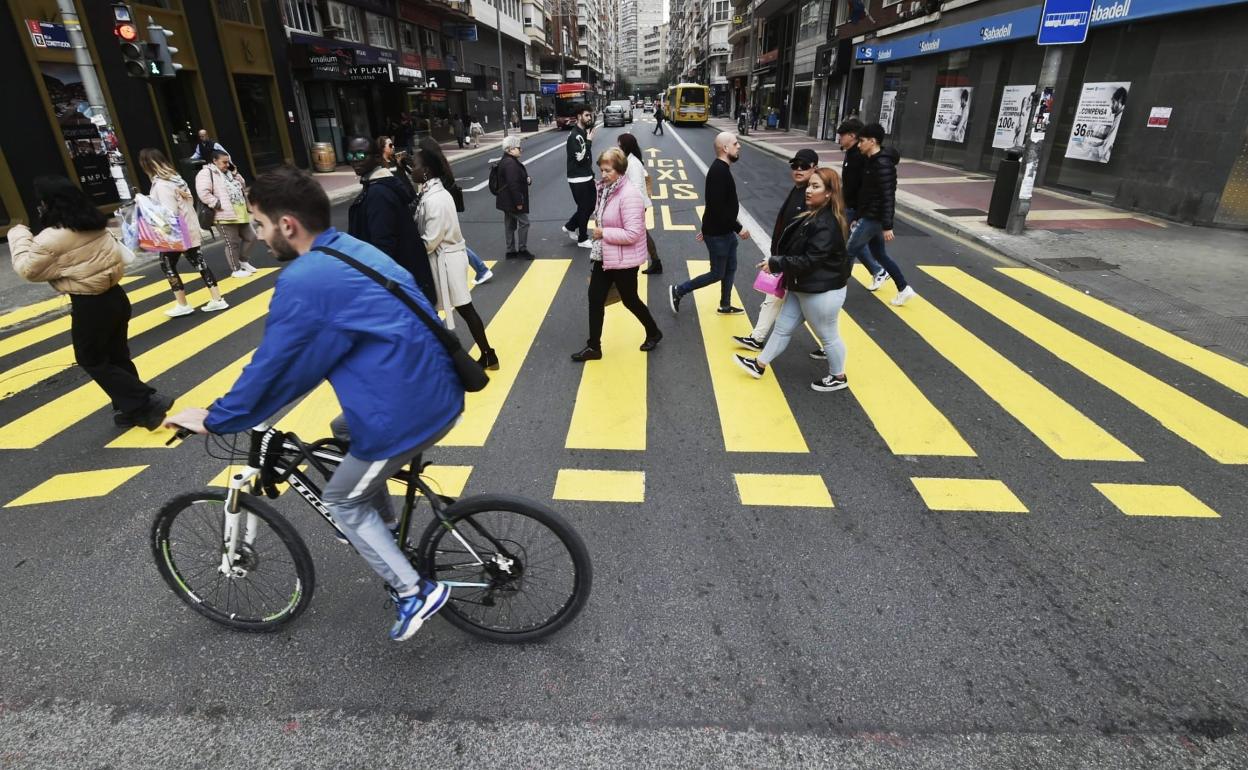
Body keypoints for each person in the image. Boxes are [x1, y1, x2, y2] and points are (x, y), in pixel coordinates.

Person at [163, 166, 459, 642]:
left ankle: (413, 591)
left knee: (341, 499)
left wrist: (218, 417)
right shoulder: (351, 250)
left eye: (258, 224)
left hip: (405, 411)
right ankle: (383, 526)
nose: (257, 237)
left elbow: (276, 366)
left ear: (287, 225)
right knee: (344, 431)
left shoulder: (307, 279)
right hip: (435, 385)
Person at [10, 176, 173, 429]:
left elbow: (28, 271)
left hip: (90, 305)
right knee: (117, 354)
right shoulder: (95, 223)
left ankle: (145, 402)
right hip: (116, 296)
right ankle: (130, 410)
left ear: (48, 204)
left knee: (91, 358)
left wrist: (19, 235)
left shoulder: (50, 239)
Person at [733, 167, 851, 393]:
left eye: (815, 187)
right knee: (782, 328)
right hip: (803, 287)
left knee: (828, 337)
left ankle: (838, 376)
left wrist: (777, 263)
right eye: (809, 185)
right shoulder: (815, 214)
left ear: (829, 193)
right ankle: (759, 365)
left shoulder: (826, 223)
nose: (809, 190)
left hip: (821, 292)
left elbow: (810, 261)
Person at [570, 148, 662, 362]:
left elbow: (633, 234)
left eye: (608, 170)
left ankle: (654, 331)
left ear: (620, 170)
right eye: (601, 170)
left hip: (624, 260)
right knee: (595, 298)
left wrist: (604, 233)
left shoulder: (629, 195)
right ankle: (594, 347)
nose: (603, 174)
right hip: (605, 255)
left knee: (630, 300)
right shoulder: (606, 189)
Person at [412, 143, 498, 369]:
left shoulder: (435, 199)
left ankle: (486, 354)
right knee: (457, 309)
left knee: (462, 308)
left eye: (416, 165)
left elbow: (430, 240)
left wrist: (409, 249)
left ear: (427, 171)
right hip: (447, 259)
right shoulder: (430, 192)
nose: (413, 168)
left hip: (447, 261)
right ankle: (485, 354)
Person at [732, 148, 817, 352]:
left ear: (815, 168)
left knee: (811, 308)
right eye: (794, 165)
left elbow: (806, 233)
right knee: (775, 298)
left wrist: (782, 260)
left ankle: (828, 343)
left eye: (804, 166)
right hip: (785, 258)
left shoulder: (811, 194)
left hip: (794, 261)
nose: (798, 169)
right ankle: (757, 337)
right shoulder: (799, 189)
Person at [344, 136, 437, 302]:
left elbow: (383, 248)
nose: (355, 161)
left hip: (397, 290)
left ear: (377, 158)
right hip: (403, 285)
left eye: (360, 155)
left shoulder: (378, 194)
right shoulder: (378, 186)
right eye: (351, 156)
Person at [668, 132, 750, 315]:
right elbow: (718, 207)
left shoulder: (721, 169)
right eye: (736, 143)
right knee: (717, 274)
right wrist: (739, 228)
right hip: (720, 235)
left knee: (730, 269)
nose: (739, 146)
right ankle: (679, 290)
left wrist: (706, 228)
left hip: (723, 232)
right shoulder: (719, 172)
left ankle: (725, 305)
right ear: (725, 148)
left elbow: (712, 205)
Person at [139, 148, 228, 317]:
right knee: (200, 263)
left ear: (147, 166)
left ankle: (182, 304)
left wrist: (146, 206)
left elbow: (168, 211)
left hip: (175, 232)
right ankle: (217, 299)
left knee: (167, 265)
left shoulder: (161, 184)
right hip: (189, 228)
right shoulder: (177, 180)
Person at [851, 122, 915, 305]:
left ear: (872, 141)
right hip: (869, 215)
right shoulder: (872, 161)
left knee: (849, 251)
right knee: (880, 254)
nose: (859, 144)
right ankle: (904, 288)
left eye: (861, 141)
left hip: (874, 218)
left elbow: (888, 196)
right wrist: (857, 216)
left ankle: (833, 290)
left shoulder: (882, 164)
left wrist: (888, 226)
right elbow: (866, 194)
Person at [418, 136, 494, 284]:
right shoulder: (441, 162)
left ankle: (481, 269)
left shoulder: (433, 167)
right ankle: (481, 269)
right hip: (447, 207)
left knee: (453, 244)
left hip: (441, 209)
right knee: (454, 242)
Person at [836, 118, 887, 289]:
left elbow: (864, 186)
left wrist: (859, 212)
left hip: (857, 209)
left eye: (842, 135)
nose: (840, 139)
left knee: (852, 243)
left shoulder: (859, 157)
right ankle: (879, 271)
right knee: (868, 245)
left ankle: (874, 271)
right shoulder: (851, 153)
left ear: (852, 136)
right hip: (853, 207)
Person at [195, 150, 259, 279]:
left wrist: (235, 173)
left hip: (240, 212)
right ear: (214, 160)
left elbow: (243, 185)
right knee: (232, 243)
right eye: (224, 162)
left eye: (228, 162)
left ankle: (243, 261)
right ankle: (235, 269)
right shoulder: (206, 173)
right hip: (224, 214)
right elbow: (203, 192)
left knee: (251, 237)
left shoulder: (229, 173)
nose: (227, 164)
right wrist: (216, 204)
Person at [617, 133, 661, 275]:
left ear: (625, 146)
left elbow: (636, 187)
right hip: (635, 204)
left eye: (620, 145)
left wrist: (629, 206)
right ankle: (655, 262)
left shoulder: (633, 163)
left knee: (639, 233)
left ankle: (653, 262)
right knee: (641, 233)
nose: (618, 147)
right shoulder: (630, 160)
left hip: (635, 205)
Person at [561, 105, 596, 248]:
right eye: (587, 115)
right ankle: (582, 238)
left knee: (590, 206)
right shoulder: (575, 135)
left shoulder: (582, 132)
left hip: (586, 176)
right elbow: (580, 159)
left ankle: (570, 226)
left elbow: (586, 160)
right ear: (579, 116)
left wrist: (591, 174)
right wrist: (589, 141)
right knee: (584, 207)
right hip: (578, 178)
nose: (590, 118)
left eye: (590, 115)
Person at [494, 135, 533, 260]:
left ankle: (510, 251)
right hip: (512, 201)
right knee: (524, 223)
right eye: (518, 148)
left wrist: (527, 179)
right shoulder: (510, 163)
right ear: (510, 149)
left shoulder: (507, 160)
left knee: (510, 224)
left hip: (505, 200)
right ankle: (522, 249)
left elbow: (515, 179)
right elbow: (513, 184)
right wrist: (518, 202)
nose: (520, 150)